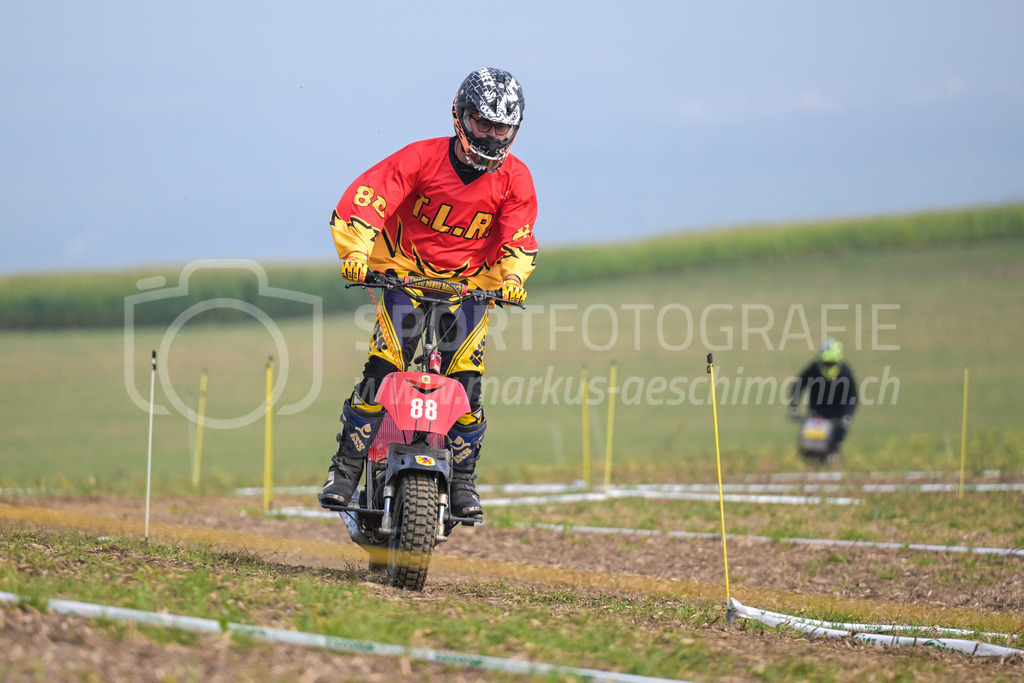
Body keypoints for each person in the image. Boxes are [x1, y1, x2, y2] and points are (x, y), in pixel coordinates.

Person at [318, 67, 538, 520]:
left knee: (468, 387)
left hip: (469, 287)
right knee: (382, 371)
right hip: (404, 276)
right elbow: (369, 198)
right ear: (460, 116)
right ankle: (345, 471)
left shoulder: (516, 179)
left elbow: (519, 236)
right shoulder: (420, 158)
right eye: (484, 124)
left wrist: (514, 279)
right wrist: (356, 251)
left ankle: (463, 483)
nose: (493, 136)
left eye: (503, 127)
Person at [786, 339, 858, 462]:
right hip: (816, 413)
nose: (828, 365)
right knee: (805, 439)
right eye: (825, 362)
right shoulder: (813, 369)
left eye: (831, 362)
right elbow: (798, 385)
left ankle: (834, 454)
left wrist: (847, 416)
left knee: (837, 437)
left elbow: (853, 397)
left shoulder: (845, 372)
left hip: (837, 416)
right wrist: (793, 408)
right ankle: (804, 458)